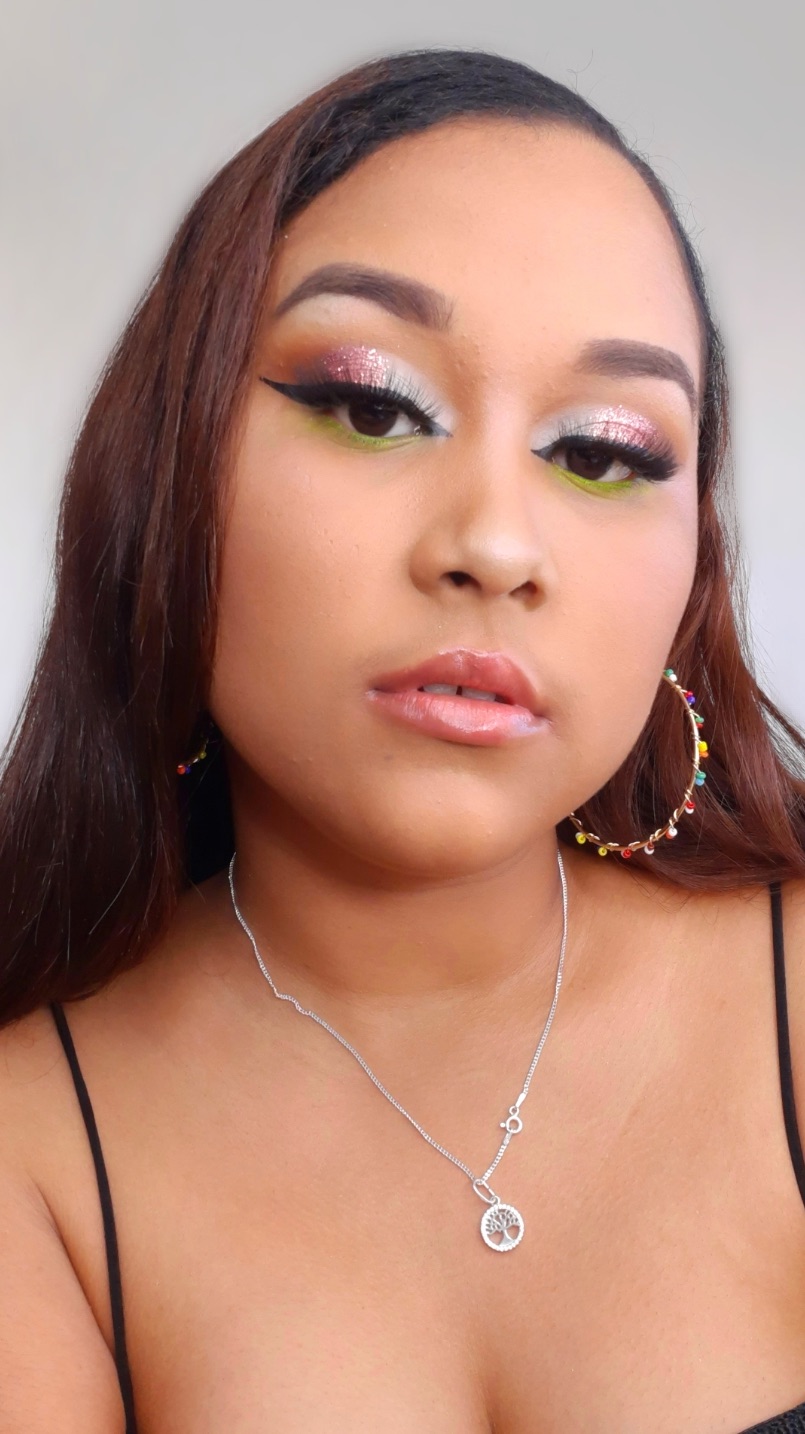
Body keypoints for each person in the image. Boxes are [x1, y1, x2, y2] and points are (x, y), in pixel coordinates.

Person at [1, 45, 805, 1433]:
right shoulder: (39, 1156)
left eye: (601, 453)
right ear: (170, 464)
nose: (493, 543)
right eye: (373, 405)